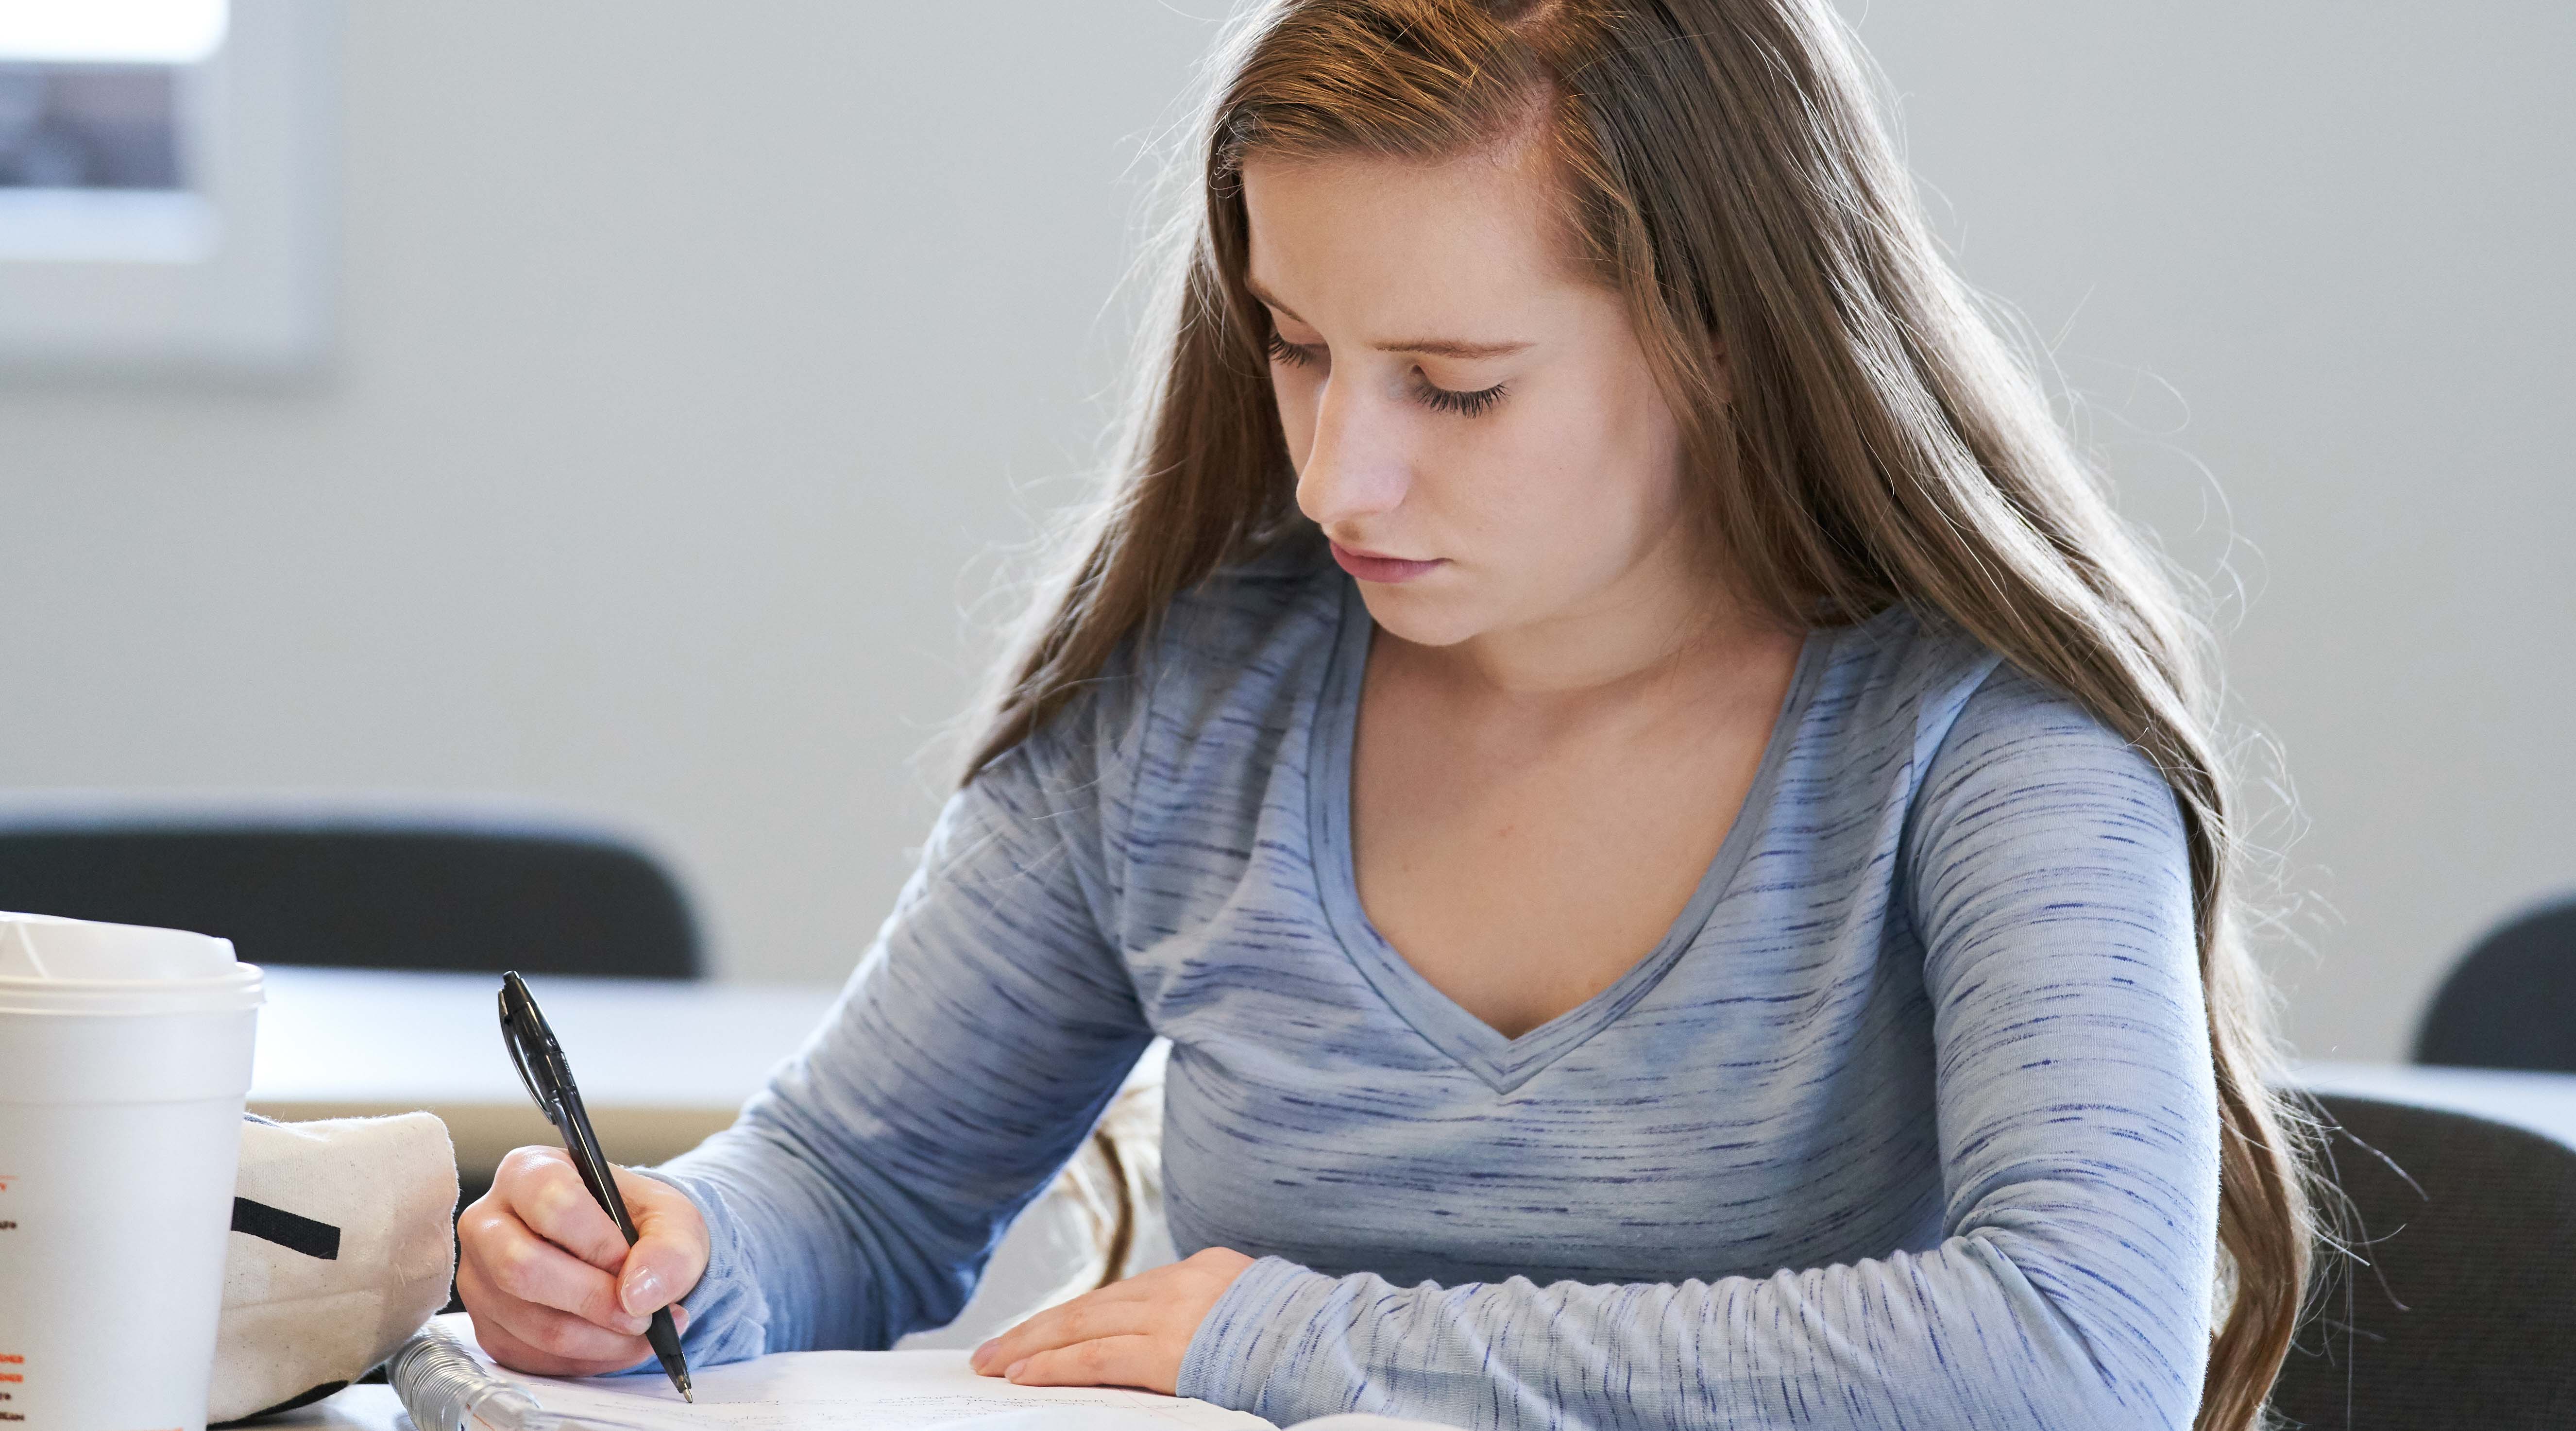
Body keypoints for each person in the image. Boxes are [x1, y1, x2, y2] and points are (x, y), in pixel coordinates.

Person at [456, 2, 2320, 1427]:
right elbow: (858, 1185)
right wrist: (673, 1255)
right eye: (1297, 346)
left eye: (1456, 385)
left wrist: (1308, 1337)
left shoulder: (1988, 742)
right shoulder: (1195, 697)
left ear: (1731, 333)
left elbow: (2080, 1346)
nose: (1343, 478)